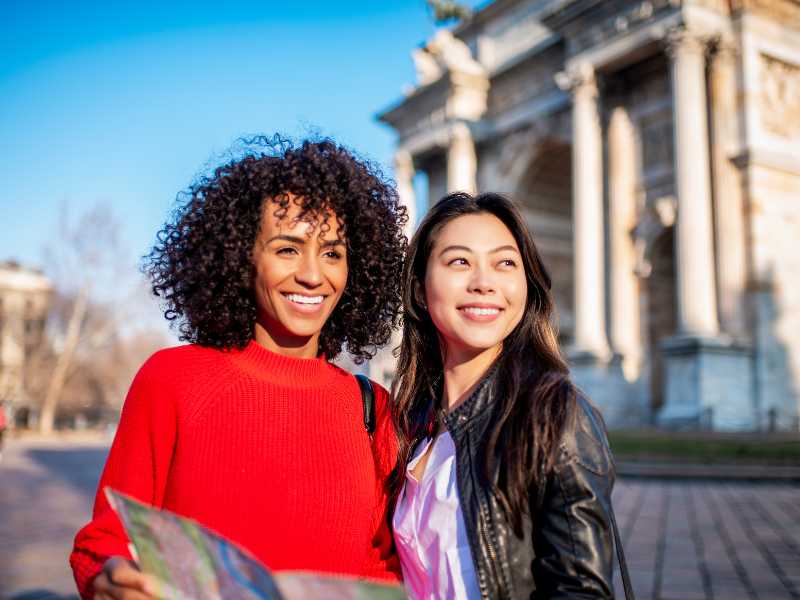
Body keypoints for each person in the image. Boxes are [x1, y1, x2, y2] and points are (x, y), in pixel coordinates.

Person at [70, 137, 407, 599]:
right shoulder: (171, 380)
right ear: (240, 256)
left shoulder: (374, 410)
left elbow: (385, 565)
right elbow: (104, 540)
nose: (313, 274)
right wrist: (108, 577)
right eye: (287, 249)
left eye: (332, 253)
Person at [390, 192, 618, 599]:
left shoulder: (555, 413)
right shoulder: (410, 423)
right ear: (421, 290)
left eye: (505, 263)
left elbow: (579, 591)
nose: (484, 283)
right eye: (460, 261)